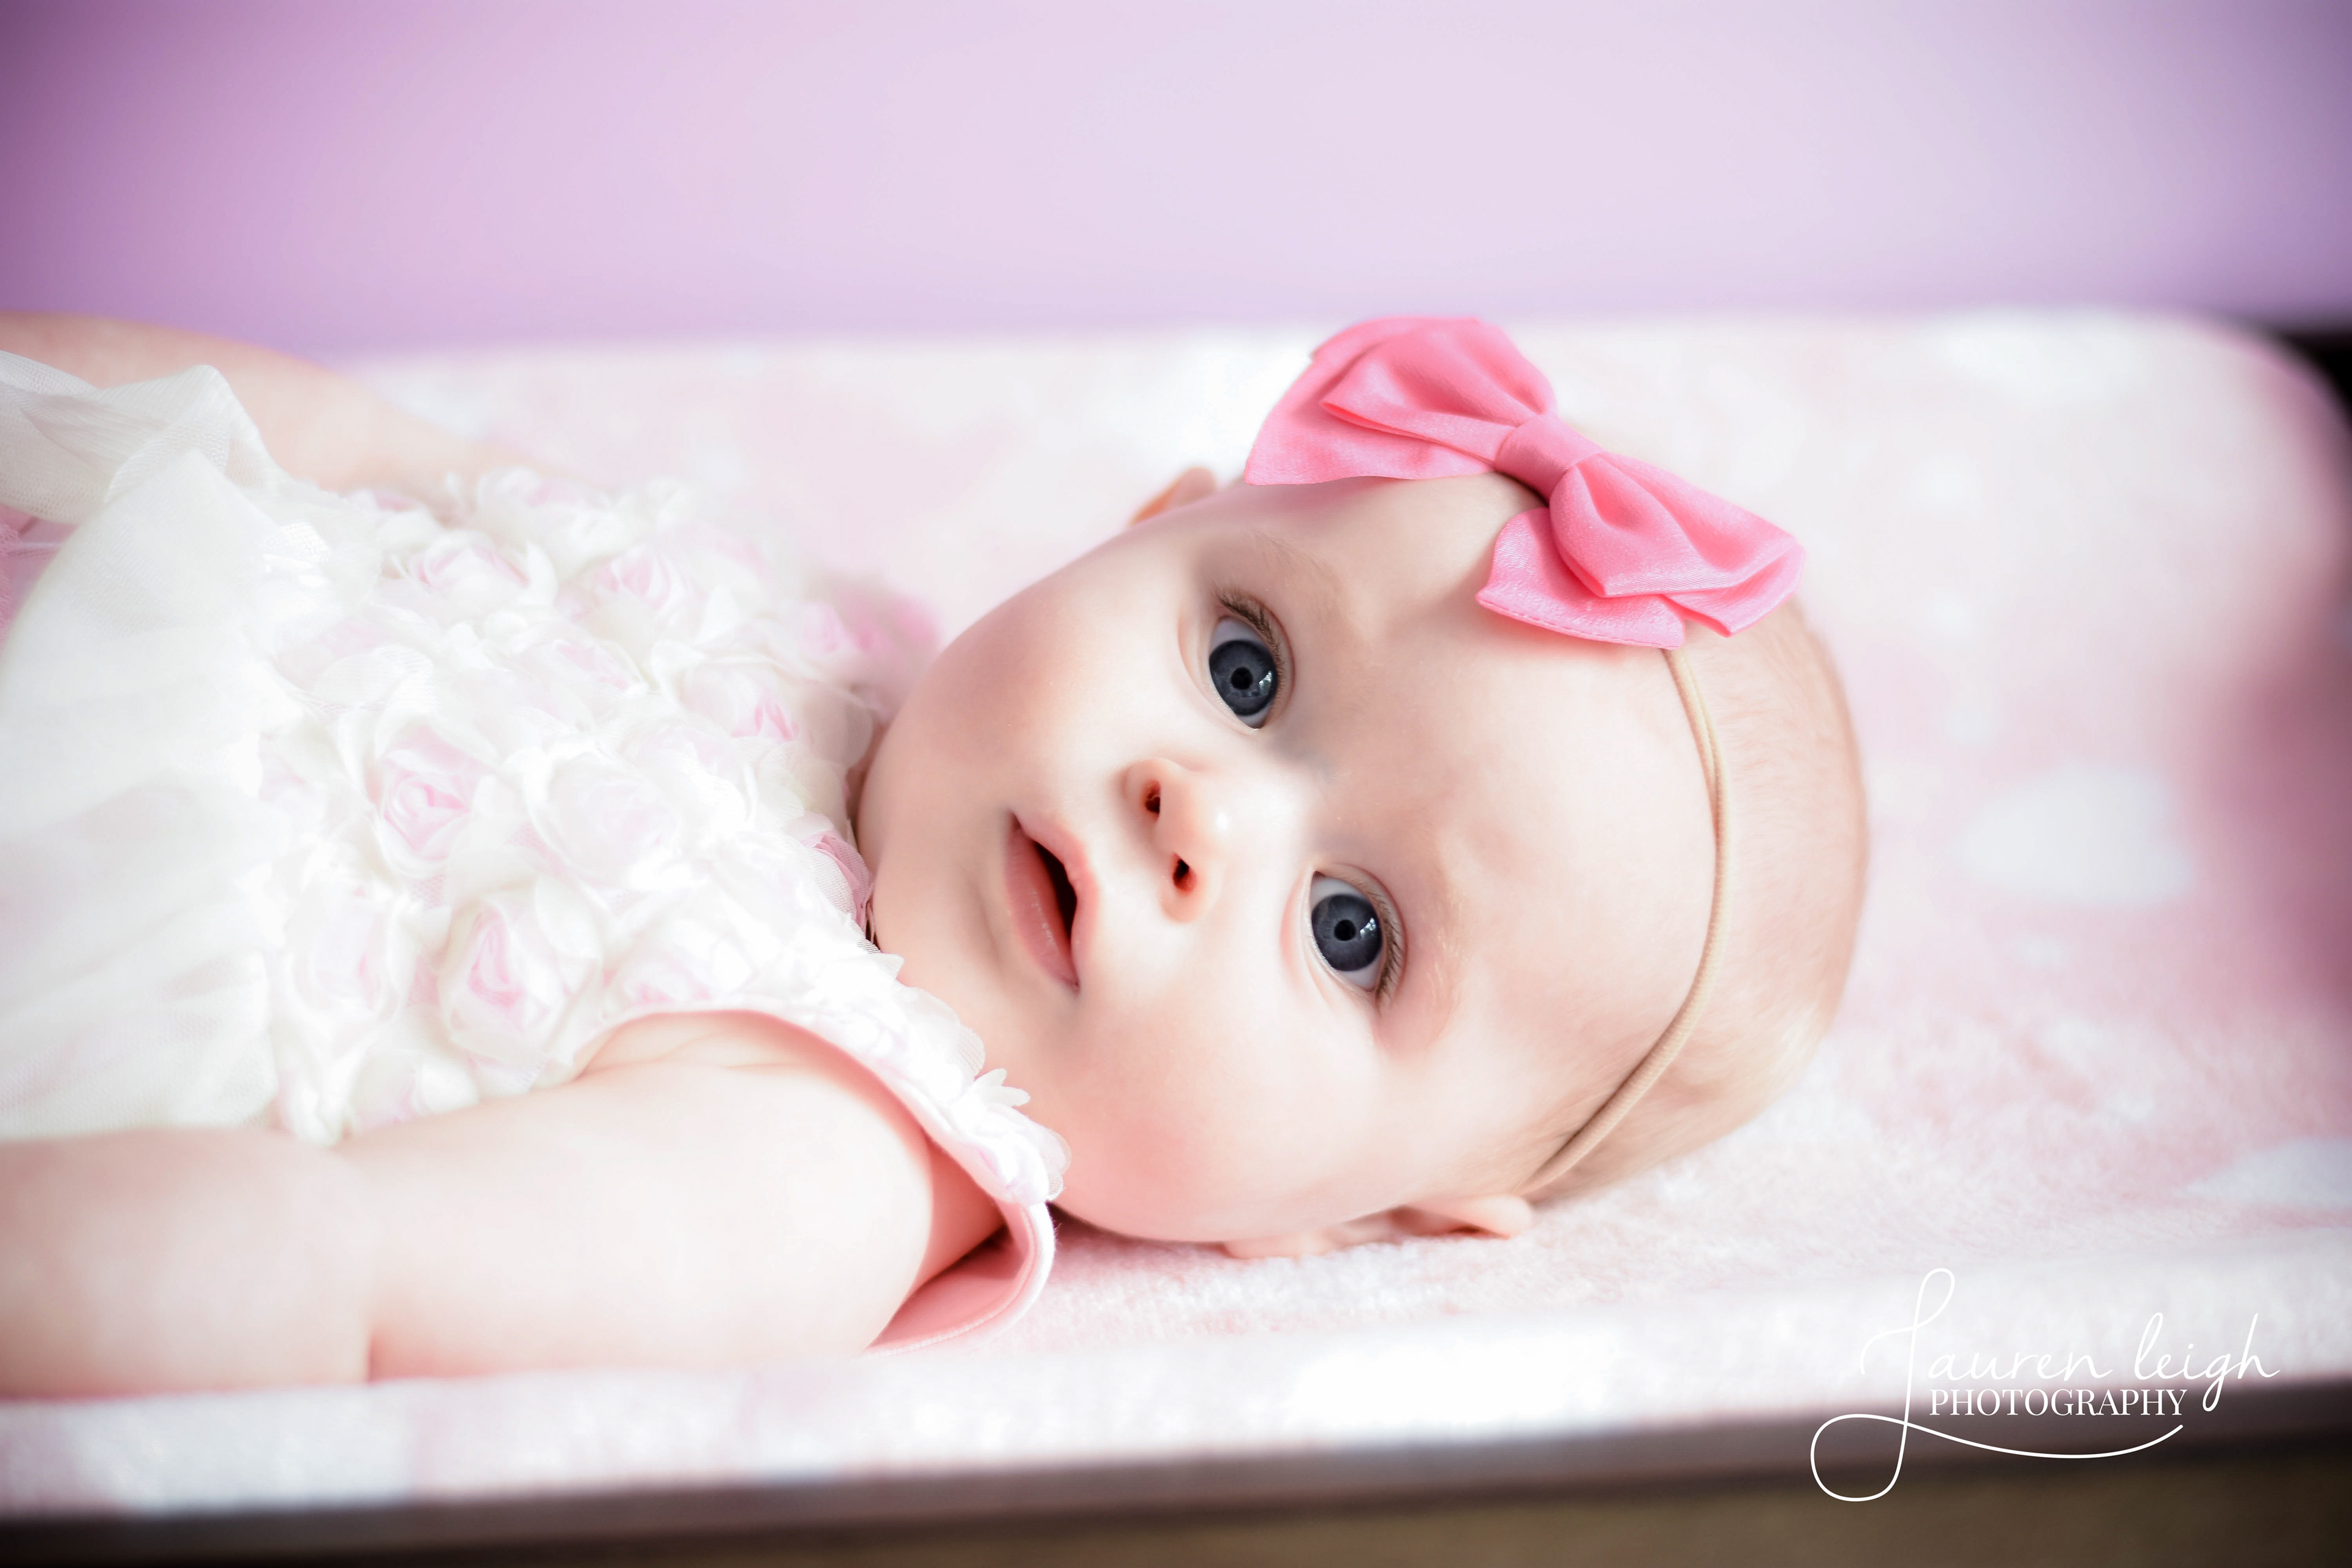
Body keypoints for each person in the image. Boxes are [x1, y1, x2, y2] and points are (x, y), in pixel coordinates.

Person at [0, 314, 1866, 1396]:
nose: (1203, 811)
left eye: (1354, 930)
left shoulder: (831, 1154)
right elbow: (340, 437)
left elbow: (333, 1270)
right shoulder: (818, 622)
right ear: (1145, 526)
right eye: (1247, 667)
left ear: (1363, 1214)